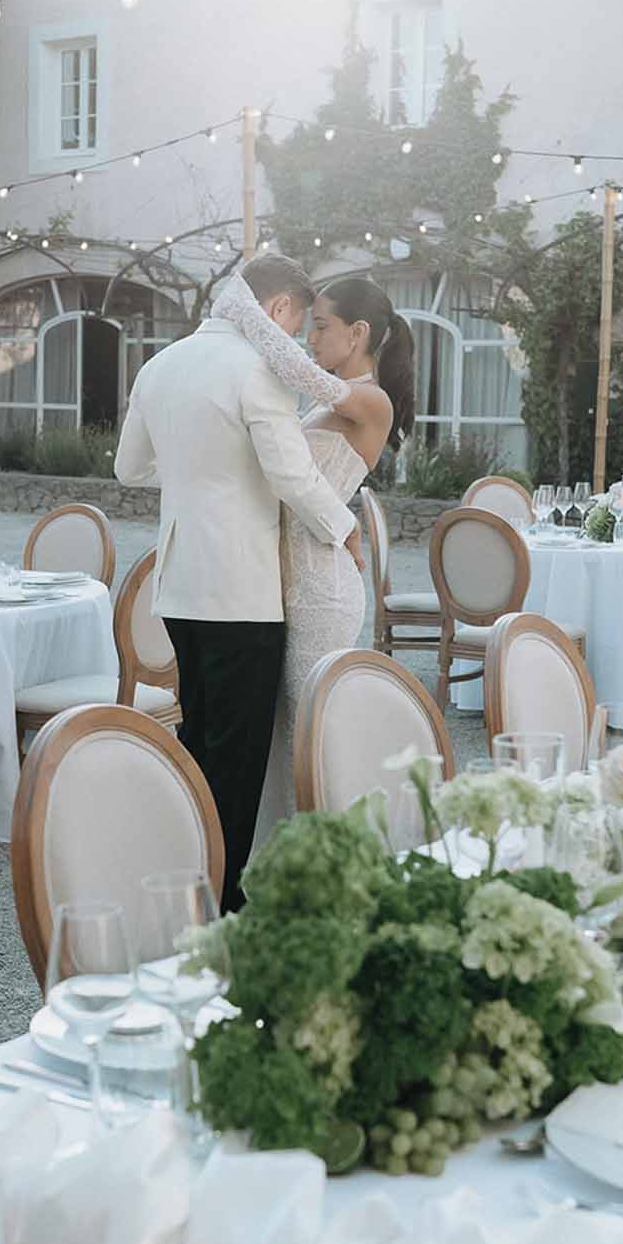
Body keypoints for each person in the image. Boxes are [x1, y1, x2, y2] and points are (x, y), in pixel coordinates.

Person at [113, 252, 362, 910]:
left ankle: (184, 882)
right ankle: (222, 907)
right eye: (296, 321)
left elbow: (128, 469)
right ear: (277, 308)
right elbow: (290, 476)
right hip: (242, 589)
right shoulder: (257, 371)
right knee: (238, 758)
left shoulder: (160, 364)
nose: (293, 335)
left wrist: (199, 474)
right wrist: (345, 527)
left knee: (195, 742)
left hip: (178, 585)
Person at [210, 271, 414, 838]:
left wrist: (243, 308)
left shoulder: (372, 402)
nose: (310, 339)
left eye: (320, 325)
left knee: (314, 734)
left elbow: (294, 369)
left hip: (324, 593)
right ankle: (283, 864)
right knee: (280, 739)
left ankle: (333, 858)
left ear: (359, 333)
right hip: (280, 586)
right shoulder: (329, 401)